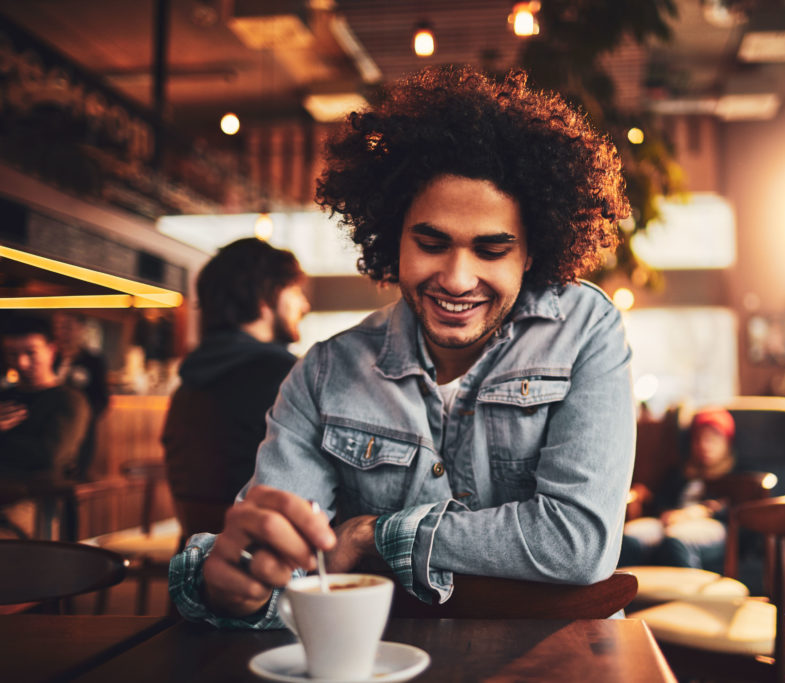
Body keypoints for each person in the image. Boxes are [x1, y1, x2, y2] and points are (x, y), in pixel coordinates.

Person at [169, 65, 635, 627]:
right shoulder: (325, 372)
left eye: (491, 250)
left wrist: (373, 535)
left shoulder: (584, 327)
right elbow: (281, 573)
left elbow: (576, 543)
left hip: (557, 661)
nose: (458, 279)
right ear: (394, 237)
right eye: (432, 242)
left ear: (531, 253)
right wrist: (238, 586)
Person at [162, 238, 310, 541]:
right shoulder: (290, 378)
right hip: (269, 566)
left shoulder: (188, 383)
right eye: (294, 291)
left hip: (195, 563)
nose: (304, 305)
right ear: (264, 298)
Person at [619, 407, 736, 572]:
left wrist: (704, 511)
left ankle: (689, 595)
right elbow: (660, 500)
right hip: (671, 520)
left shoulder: (737, 474)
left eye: (712, 439)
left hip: (709, 524)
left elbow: (739, 510)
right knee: (630, 535)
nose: (705, 445)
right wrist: (667, 512)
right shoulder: (680, 472)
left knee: (676, 539)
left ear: (726, 442)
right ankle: (624, 593)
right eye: (700, 439)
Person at [0, 314, 91, 478]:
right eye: (12, 354)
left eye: (31, 353)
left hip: (43, 495)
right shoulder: (5, 396)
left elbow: (48, 457)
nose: (22, 362)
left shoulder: (69, 400)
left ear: (51, 350)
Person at [52, 312, 110, 480]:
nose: (62, 332)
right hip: (51, 425)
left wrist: (84, 418)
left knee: (76, 476)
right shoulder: (50, 358)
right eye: (58, 327)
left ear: (81, 329)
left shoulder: (92, 361)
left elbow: (102, 398)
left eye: (67, 327)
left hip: (82, 429)